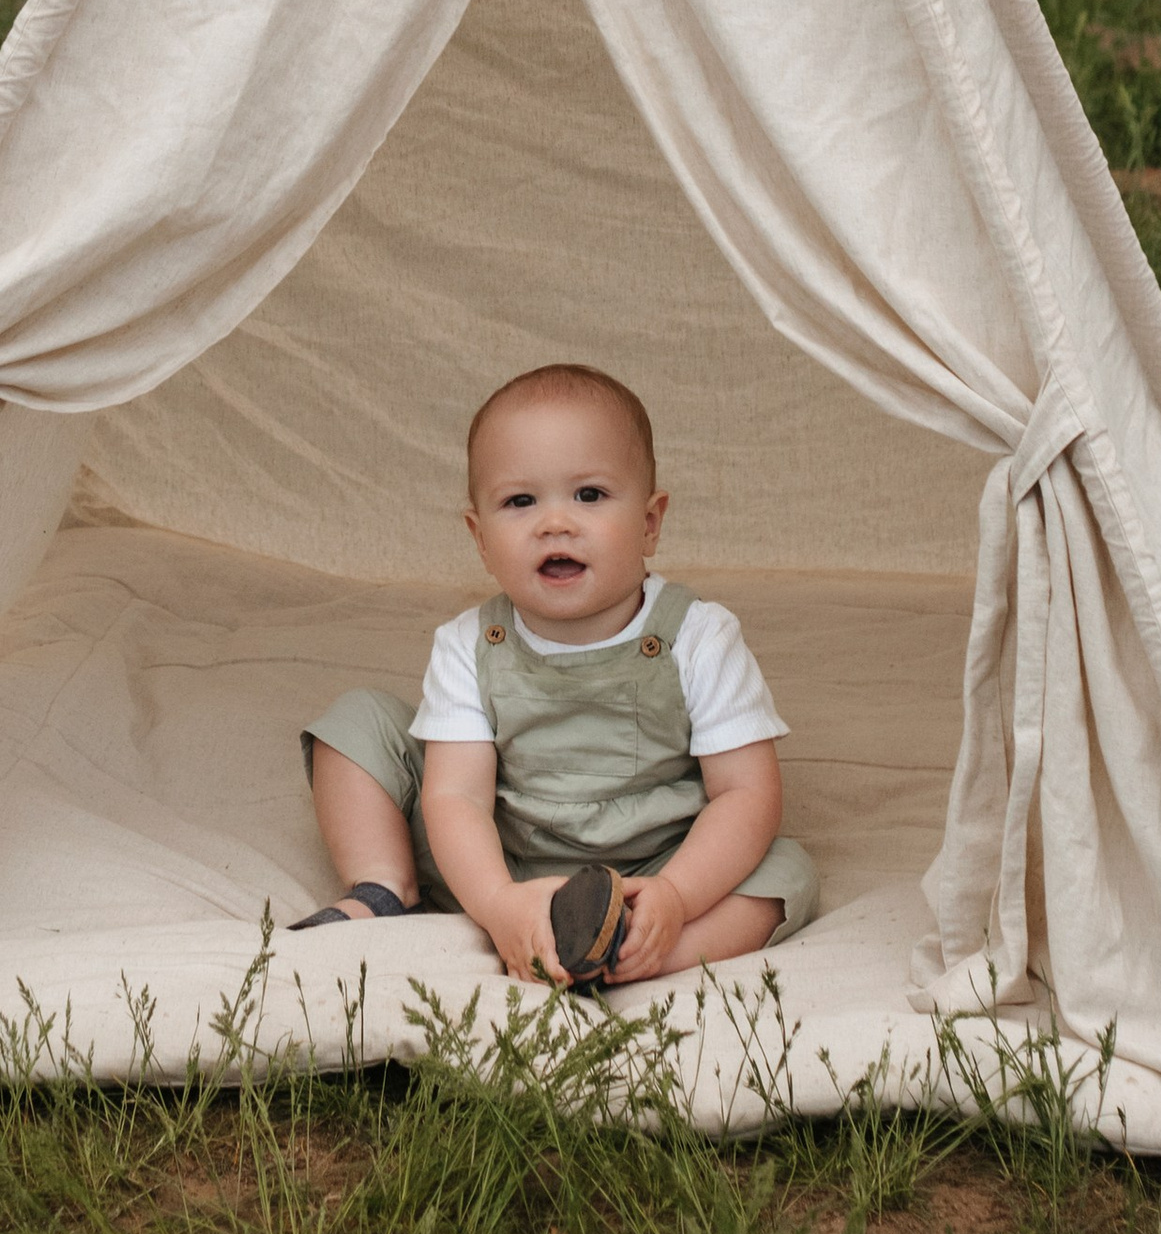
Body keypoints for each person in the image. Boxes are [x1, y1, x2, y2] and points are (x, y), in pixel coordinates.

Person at [291, 361, 818, 989]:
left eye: (589, 495)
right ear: (479, 537)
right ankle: (384, 886)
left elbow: (746, 794)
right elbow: (456, 798)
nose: (555, 523)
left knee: (783, 869)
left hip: (654, 864)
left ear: (650, 522)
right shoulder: (469, 644)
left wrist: (677, 893)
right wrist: (496, 901)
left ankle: (637, 948)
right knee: (357, 721)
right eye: (520, 502)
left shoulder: (699, 637)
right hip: (503, 861)